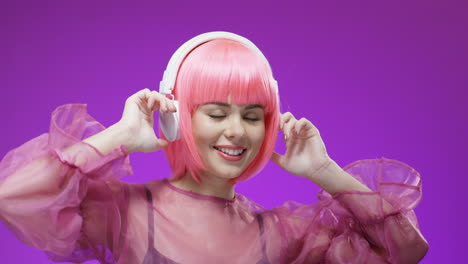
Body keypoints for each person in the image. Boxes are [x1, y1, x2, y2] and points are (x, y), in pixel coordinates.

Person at [0, 32, 428, 264]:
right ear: (176, 114)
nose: (238, 132)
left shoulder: (283, 235)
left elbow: (405, 251)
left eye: (253, 115)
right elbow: (14, 199)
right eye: (217, 114)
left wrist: (324, 170)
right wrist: (118, 137)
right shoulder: (125, 212)